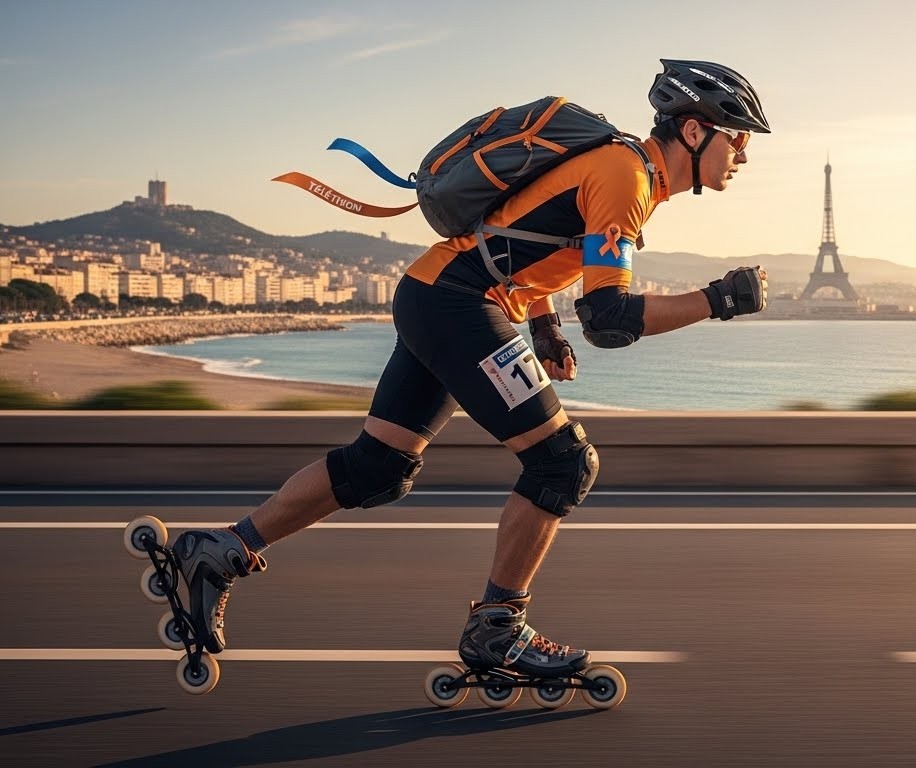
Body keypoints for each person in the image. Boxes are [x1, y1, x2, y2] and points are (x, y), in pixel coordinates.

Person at [168, 59, 772, 684]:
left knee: (378, 468)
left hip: (440, 294)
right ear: (696, 132)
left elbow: (526, 233)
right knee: (563, 464)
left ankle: (219, 552)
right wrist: (719, 299)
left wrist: (543, 327)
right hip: (459, 304)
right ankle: (498, 629)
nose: (744, 155)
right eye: (739, 138)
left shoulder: (623, 168)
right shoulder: (627, 177)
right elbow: (611, 317)